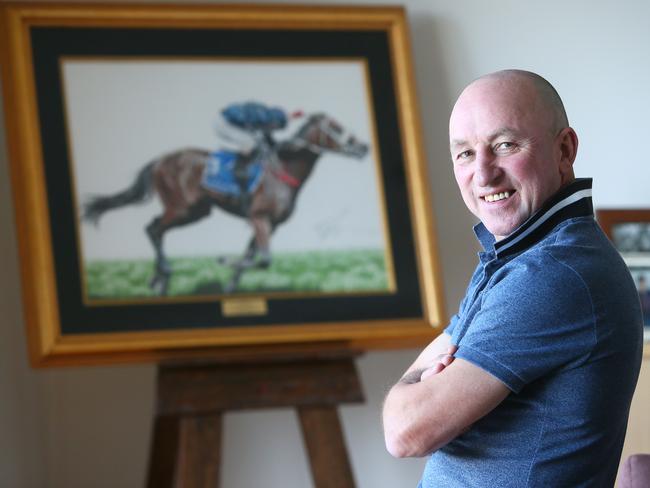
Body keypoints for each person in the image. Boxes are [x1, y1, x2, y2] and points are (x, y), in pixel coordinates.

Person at [382, 69, 644, 487]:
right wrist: (415, 391)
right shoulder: (516, 255)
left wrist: (402, 392)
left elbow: (406, 432)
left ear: (565, 149)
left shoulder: (554, 273)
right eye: (465, 153)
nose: (483, 175)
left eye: (504, 146)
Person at [214, 101, 295, 212]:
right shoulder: (258, 119)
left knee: (257, 144)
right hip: (224, 124)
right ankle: (239, 174)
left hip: (237, 121)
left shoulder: (267, 117)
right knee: (249, 144)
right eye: (276, 127)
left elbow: (268, 138)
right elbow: (260, 137)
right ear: (273, 122)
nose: (275, 130)